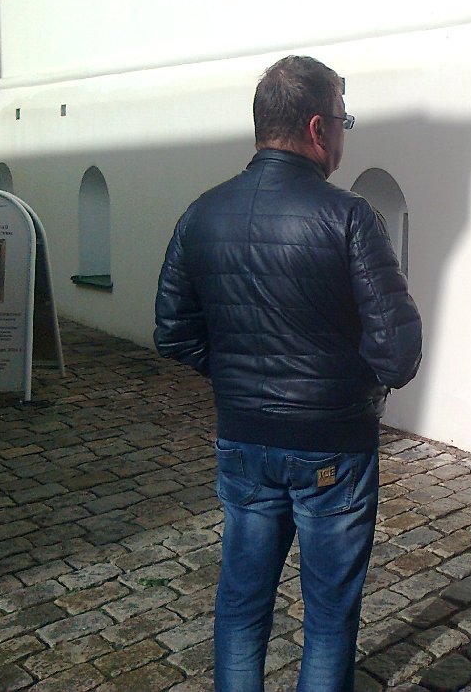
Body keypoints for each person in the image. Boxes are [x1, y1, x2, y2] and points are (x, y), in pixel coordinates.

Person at [154, 55, 423, 692]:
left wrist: (238, 377)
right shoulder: (349, 217)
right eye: (342, 121)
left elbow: (174, 332)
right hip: (333, 446)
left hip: (244, 440)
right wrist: (345, 386)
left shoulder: (202, 213)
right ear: (316, 127)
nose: (343, 136)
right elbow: (398, 353)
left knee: (241, 606)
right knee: (328, 619)